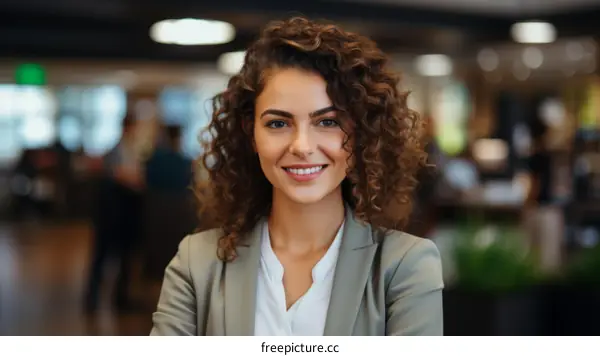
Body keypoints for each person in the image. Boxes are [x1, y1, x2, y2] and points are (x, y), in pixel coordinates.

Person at [150, 17, 444, 336]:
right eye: (278, 123)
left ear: (361, 133)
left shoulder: (403, 266)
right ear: (251, 134)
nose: (302, 147)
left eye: (328, 122)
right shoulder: (197, 262)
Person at [85, 114, 145, 313]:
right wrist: (133, 180)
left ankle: (121, 298)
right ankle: (92, 299)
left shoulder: (135, 151)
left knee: (125, 257)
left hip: (127, 213)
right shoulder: (114, 151)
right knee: (102, 257)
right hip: (111, 214)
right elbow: (120, 176)